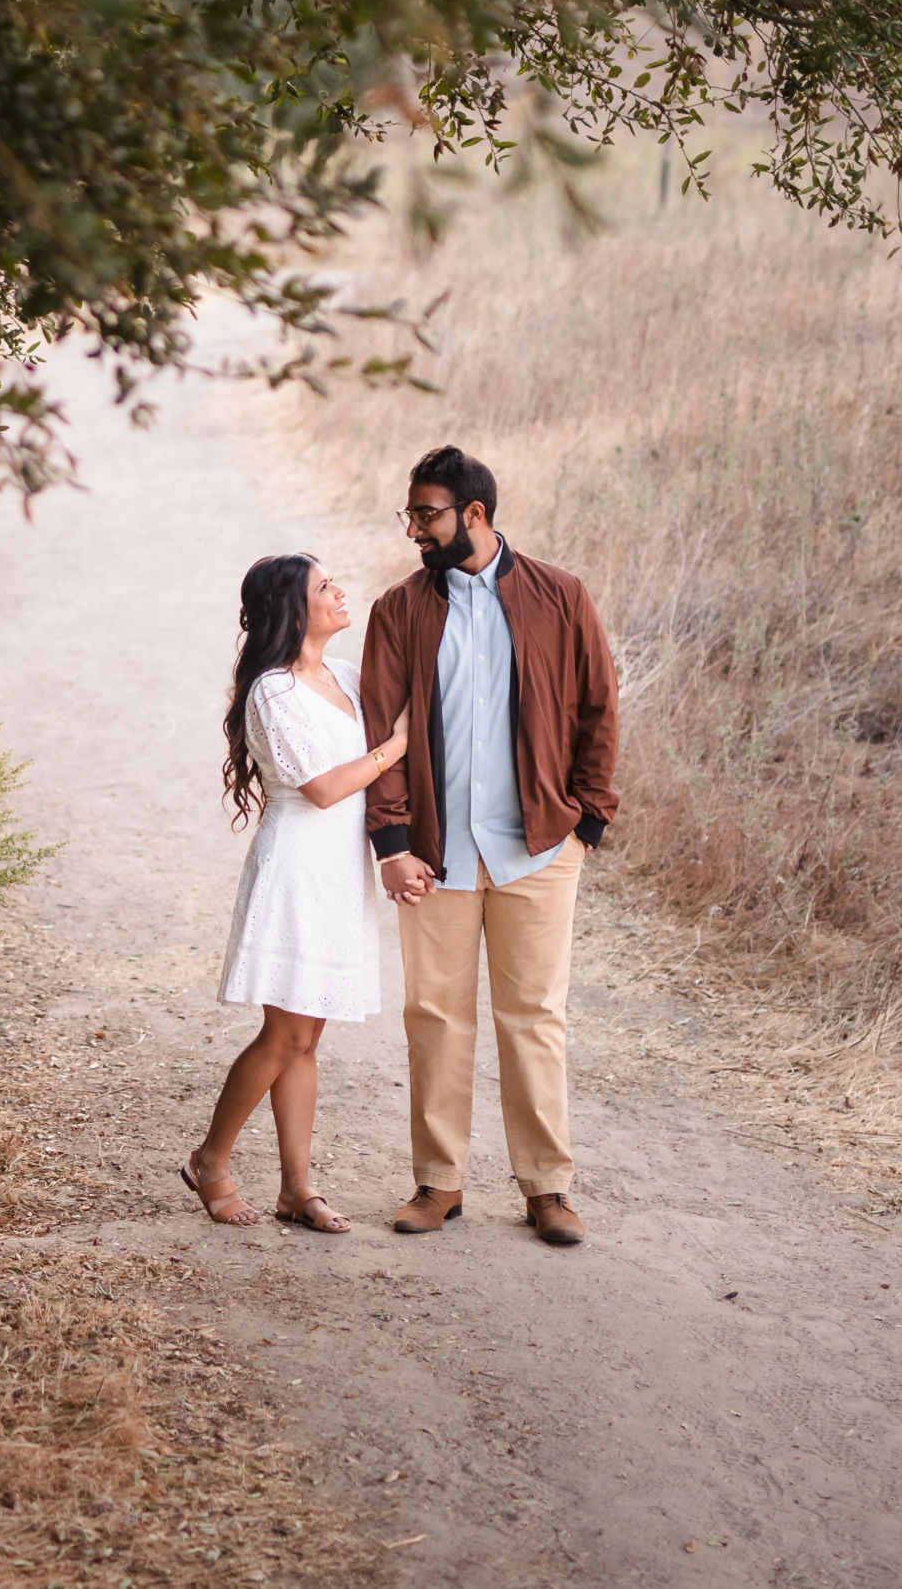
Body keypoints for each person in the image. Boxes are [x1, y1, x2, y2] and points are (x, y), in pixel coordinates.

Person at [357, 446, 620, 1246]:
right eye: (409, 514)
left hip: (538, 847)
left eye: (425, 514)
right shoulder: (397, 611)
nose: (413, 530)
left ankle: (548, 1187)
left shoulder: (560, 596)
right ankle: (438, 1181)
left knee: (534, 1014)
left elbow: (599, 711)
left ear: (473, 515)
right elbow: (380, 725)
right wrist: (393, 841)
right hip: (435, 852)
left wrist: (587, 821)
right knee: (432, 1013)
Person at [183, 553, 412, 1233]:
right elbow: (323, 787)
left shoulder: (343, 676)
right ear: (294, 608)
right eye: (323, 586)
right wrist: (395, 747)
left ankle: (295, 1187)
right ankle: (211, 1158)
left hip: (338, 872)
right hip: (295, 870)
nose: (340, 591)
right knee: (285, 1032)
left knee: (307, 1036)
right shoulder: (272, 692)